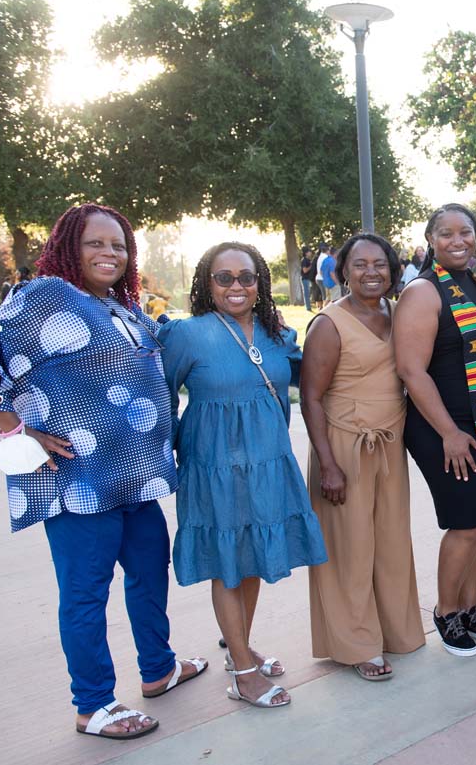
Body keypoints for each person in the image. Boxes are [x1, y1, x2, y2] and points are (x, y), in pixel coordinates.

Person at [0, 203, 205, 739]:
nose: (110, 253)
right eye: (96, 243)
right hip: (76, 480)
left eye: (118, 245)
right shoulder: (45, 295)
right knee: (86, 594)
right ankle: (94, 705)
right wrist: (17, 430)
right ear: (70, 246)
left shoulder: (121, 305)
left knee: (149, 574)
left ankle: (158, 669)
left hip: (134, 476)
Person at [159, 241, 327, 708]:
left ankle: (239, 649)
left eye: (246, 277)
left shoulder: (276, 335)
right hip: (213, 468)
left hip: (268, 463)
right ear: (206, 283)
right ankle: (245, 673)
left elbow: (306, 381)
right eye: (224, 278)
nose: (237, 286)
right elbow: (161, 398)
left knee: (250, 557)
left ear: (260, 283)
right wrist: (172, 454)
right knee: (228, 565)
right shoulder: (187, 334)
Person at [300, 233, 425, 681]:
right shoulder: (329, 324)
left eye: (380, 264)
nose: (371, 272)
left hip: (390, 442)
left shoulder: (397, 314)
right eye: (360, 264)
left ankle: (396, 629)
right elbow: (310, 398)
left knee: (391, 542)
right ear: (342, 271)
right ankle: (357, 645)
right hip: (345, 446)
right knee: (350, 549)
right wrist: (328, 465)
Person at [395, 204, 476, 657]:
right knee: (465, 523)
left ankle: (471, 608)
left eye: (466, 232)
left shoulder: (474, 285)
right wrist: (448, 432)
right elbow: (411, 369)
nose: (457, 240)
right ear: (431, 240)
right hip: (444, 427)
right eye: (446, 233)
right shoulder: (424, 291)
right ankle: (447, 612)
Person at [299, 246, 316, 312]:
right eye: (309, 252)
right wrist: (311, 266)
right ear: (306, 253)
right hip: (305, 279)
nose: (310, 253)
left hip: (308, 278)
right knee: (306, 293)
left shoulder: (308, 260)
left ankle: (309, 305)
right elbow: (305, 270)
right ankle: (308, 307)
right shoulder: (304, 260)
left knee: (309, 293)